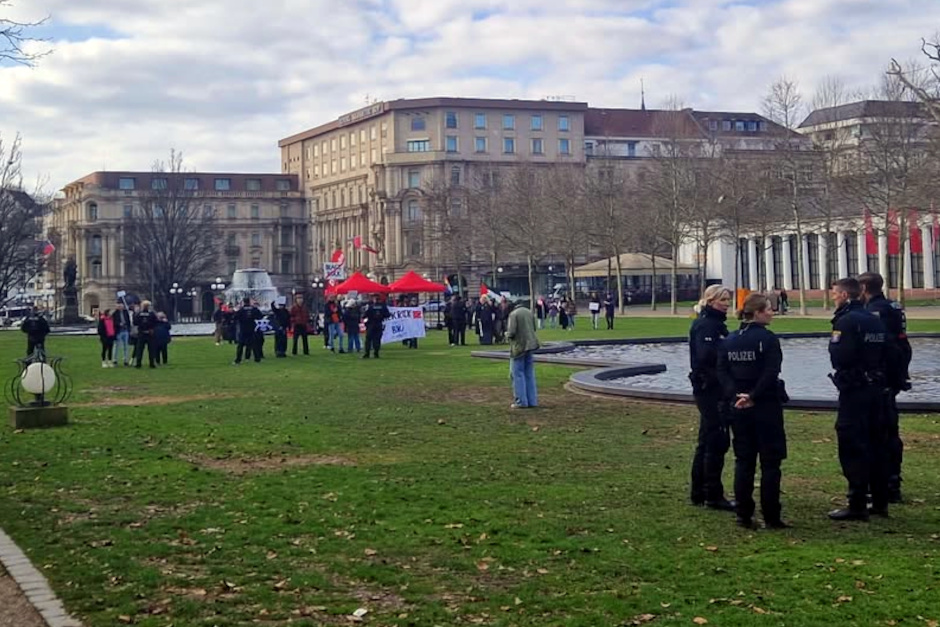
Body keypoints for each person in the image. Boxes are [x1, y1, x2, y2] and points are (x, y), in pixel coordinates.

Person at [717, 293, 789, 529]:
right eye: (768, 309)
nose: (772, 313)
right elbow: (771, 372)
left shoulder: (730, 339)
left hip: (738, 406)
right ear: (757, 312)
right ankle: (771, 516)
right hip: (765, 406)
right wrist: (754, 396)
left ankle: (743, 514)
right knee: (770, 463)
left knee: (744, 461)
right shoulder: (767, 339)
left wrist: (736, 395)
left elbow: (722, 371)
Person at [827, 277, 889, 521]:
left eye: (834, 293)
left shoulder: (846, 321)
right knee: (877, 444)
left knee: (852, 444)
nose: (833, 297)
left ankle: (857, 503)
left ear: (843, 295)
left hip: (855, 390)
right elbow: (891, 353)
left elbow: (839, 356)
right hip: (876, 389)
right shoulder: (875, 320)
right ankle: (880, 500)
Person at [858, 272, 911, 503]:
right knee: (890, 430)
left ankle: (886, 483)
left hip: (882, 378)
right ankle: (892, 480)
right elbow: (902, 344)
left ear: (863, 287)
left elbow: (882, 347)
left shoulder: (873, 312)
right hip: (894, 374)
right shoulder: (893, 305)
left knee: (880, 431)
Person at [688, 285, 734, 511]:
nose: (726, 303)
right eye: (722, 299)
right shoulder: (707, 325)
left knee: (707, 439)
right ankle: (712, 494)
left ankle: (700, 492)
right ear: (710, 300)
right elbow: (706, 355)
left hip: (710, 388)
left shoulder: (715, 324)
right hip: (710, 389)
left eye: (728, 300)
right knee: (716, 440)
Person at [507, 301, 540, 409]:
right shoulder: (530, 313)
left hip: (519, 347)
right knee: (529, 373)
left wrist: (505, 334)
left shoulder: (513, 314)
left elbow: (511, 332)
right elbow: (534, 328)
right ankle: (532, 400)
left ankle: (521, 401)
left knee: (517, 374)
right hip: (531, 345)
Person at [232, 297, 262, 365]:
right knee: (254, 344)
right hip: (252, 328)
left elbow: (235, 317)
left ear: (244, 302)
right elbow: (260, 316)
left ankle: (238, 359)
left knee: (240, 345)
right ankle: (257, 358)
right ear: (249, 302)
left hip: (243, 329)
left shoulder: (241, 310)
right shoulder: (254, 309)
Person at [362, 294, 390, 359]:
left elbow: (365, 315)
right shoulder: (383, 306)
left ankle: (367, 353)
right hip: (379, 324)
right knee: (377, 339)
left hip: (371, 324)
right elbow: (387, 315)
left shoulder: (370, 306)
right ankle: (376, 353)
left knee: (368, 339)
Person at [133, 301, 157, 368]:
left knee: (140, 349)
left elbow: (135, 322)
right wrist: (152, 328)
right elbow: (155, 322)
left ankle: (138, 363)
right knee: (151, 349)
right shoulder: (151, 314)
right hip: (149, 333)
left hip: (142, 332)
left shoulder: (138, 314)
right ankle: (152, 364)